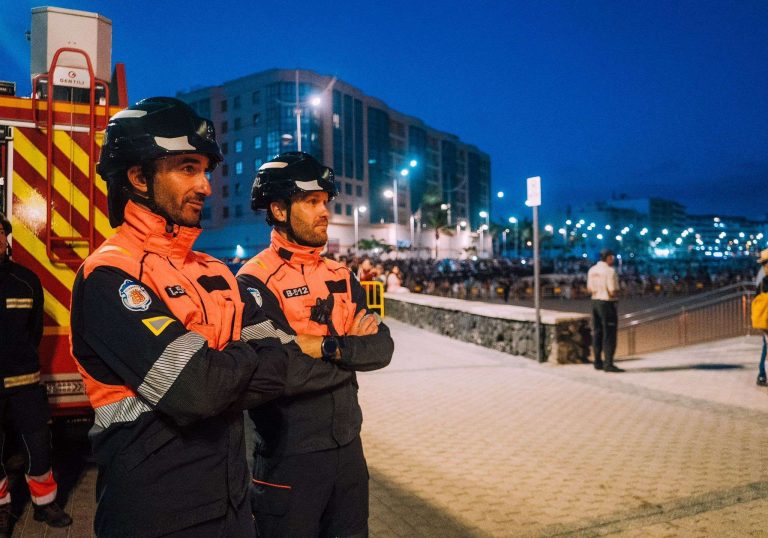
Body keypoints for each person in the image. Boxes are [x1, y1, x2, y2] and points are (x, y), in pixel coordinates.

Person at [69, 97, 296, 537]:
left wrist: (215, 364)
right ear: (139, 177)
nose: (206, 187)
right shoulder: (109, 275)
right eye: (188, 168)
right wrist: (241, 356)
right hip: (154, 515)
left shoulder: (216, 271)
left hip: (233, 506)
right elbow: (196, 390)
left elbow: (281, 365)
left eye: (205, 171)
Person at [238, 152, 394, 538]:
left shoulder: (341, 274)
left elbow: (382, 348)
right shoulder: (253, 281)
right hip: (288, 458)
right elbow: (283, 373)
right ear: (278, 209)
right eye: (311, 202)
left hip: (349, 450)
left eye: (325, 201)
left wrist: (325, 347)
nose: (324, 212)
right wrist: (348, 354)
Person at [0, 212, 72, 536]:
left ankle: (45, 503)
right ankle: (2, 508)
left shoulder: (27, 281)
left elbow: (34, 331)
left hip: (24, 382)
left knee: (38, 444)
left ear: (6, 238)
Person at [587, 249, 623, 372]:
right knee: (609, 334)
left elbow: (589, 289)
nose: (613, 259)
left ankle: (597, 362)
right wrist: (619, 294)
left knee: (597, 332)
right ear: (608, 258)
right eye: (612, 257)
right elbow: (612, 291)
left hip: (595, 301)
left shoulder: (592, 270)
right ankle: (608, 363)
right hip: (607, 303)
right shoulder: (609, 271)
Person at [756, 249, 768, 386]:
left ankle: (762, 374)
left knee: (766, 345)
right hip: (766, 315)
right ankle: (762, 374)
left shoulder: (761, 273)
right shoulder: (765, 276)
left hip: (763, 316)